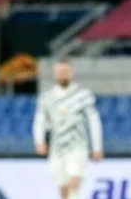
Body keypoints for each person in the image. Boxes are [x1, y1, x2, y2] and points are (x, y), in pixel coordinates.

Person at [32, 61, 104, 199]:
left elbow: (94, 121)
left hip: (78, 145)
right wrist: (39, 141)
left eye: (65, 72)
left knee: (74, 181)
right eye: (59, 72)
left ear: (72, 73)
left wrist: (97, 147)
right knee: (63, 187)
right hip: (57, 147)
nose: (62, 75)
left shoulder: (83, 96)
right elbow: (40, 121)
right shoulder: (47, 97)